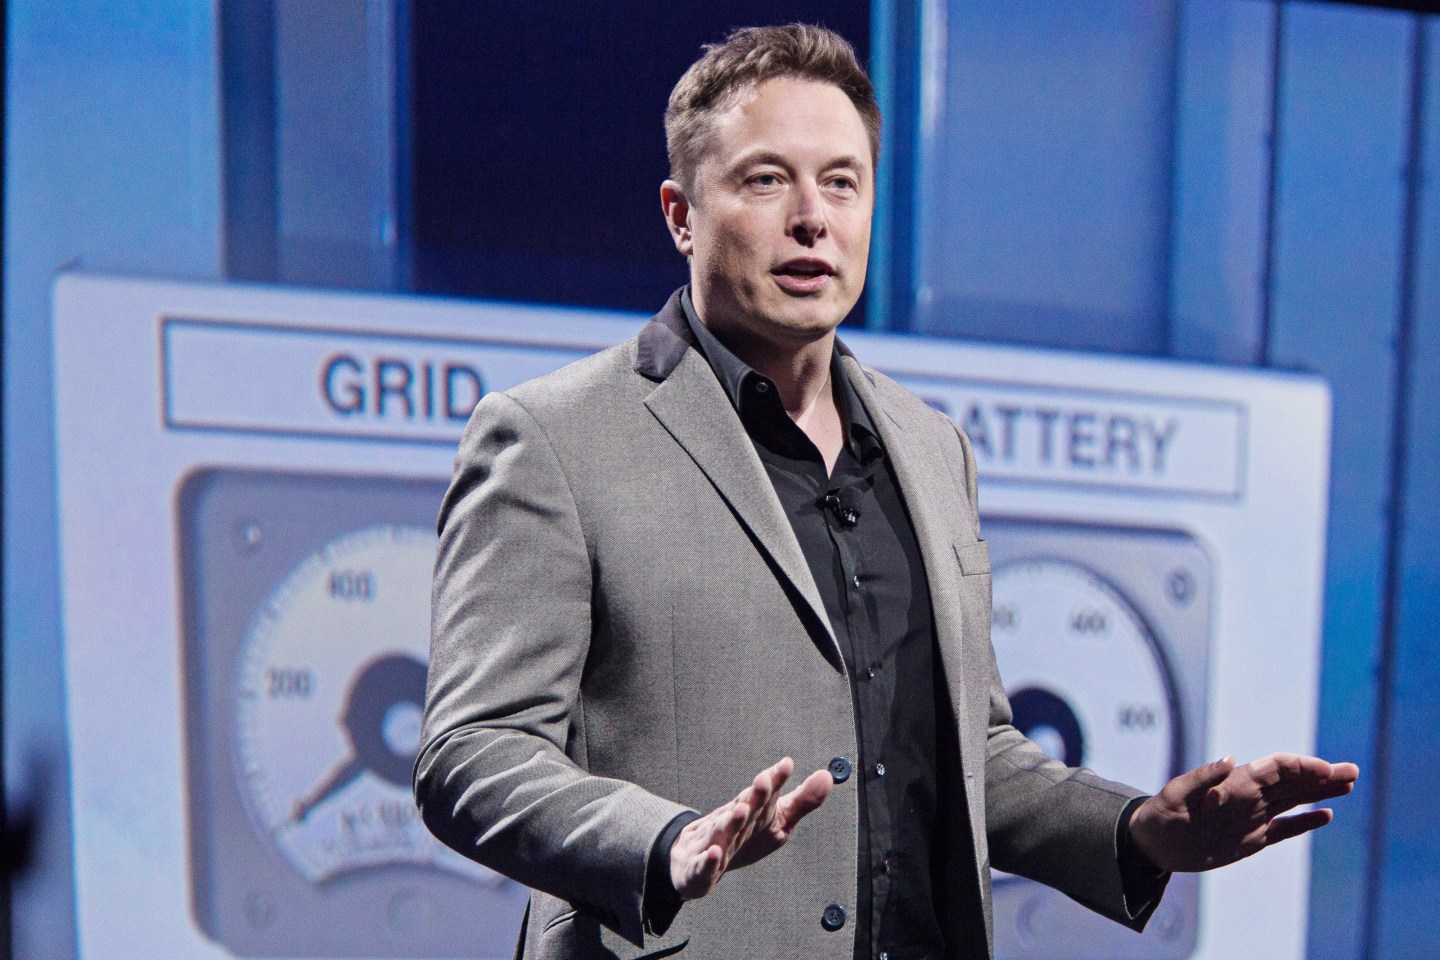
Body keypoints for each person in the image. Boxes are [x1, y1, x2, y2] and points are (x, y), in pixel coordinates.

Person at [415, 24, 1358, 960]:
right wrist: (663, 844)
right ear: (681, 215)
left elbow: (971, 753)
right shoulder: (554, 437)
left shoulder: (931, 447)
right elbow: (474, 753)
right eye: (765, 180)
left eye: (841, 182)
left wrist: (1141, 829)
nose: (812, 218)